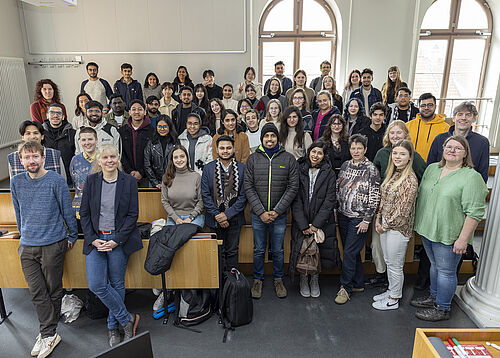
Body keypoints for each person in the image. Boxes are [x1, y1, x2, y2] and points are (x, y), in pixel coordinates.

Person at [10, 140, 77, 358]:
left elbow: (67, 211)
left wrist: (72, 235)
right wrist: (24, 236)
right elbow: (19, 213)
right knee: (37, 292)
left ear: (43, 157)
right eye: (26, 157)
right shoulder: (16, 182)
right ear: (21, 161)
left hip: (53, 243)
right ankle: (48, 333)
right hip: (28, 246)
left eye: (34, 156)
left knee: (53, 290)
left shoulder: (55, 181)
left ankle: (48, 333)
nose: (31, 161)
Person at [411, 136, 487, 321]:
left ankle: (442, 307)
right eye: (449, 146)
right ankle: (434, 297)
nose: (452, 150)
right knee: (435, 266)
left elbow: (475, 212)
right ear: (443, 149)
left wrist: (463, 239)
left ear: (465, 153)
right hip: (429, 230)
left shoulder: (471, 177)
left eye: (458, 148)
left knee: (446, 271)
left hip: (450, 234)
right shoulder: (432, 169)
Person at [80, 144, 142, 347]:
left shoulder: (129, 182)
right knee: (97, 284)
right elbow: (85, 214)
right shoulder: (90, 181)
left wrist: (116, 240)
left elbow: (133, 215)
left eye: (113, 157)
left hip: (118, 239)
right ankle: (127, 319)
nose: (109, 160)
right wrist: (92, 238)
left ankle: (112, 326)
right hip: (96, 239)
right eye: (105, 157)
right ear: (99, 161)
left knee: (117, 284)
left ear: (118, 159)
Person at [244, 123, 299, 299]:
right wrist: (261, 211)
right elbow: (248, 186)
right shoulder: (253, 159)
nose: (269, 139)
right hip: (258, 215)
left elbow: (292, 187)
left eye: (272, 136)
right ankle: (258, 280)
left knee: (278, 250)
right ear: (262, 139)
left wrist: (276, 211)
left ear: (277, 138)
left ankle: (278, 279)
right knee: (259, 249)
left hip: (280, 215)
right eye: (266, 136)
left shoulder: (288, 159)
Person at [372, 139, 418, 310]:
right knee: (388, 261)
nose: (398, 156)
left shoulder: (410, 180)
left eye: (402, 154)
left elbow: (403, 211)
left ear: (409, 157)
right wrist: (378, 219)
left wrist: (385, 225)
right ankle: (392, 290)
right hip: (384, 225)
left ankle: (394, 298)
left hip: (397, 229)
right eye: (395, 153)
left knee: (395, 265)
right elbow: (383, 200)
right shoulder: (393, 173)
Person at [290, 141, 340, 298]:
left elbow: (329, 200)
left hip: (322, 221)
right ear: (308, 152)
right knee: (302, 251)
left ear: (324, 156)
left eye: (319, 153)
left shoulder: (329, 173)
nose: (315, 155)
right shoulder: (299, 169)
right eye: (313, 152)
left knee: (317, 251)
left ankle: (315, 279)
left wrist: (316, 225)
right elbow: (295, 198)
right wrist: (303, 224)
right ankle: (304, 279)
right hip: (302, 221)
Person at [335, 134, 381, 305]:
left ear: (365, 150)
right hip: (343, 215)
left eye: (359, 148)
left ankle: (345, 288)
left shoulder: (371, 169)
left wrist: (367, 220)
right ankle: (358, 283)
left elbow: (375, 196)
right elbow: (338, 186)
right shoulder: (346, 165)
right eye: (353, 148)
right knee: (351, 252)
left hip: (359, 219)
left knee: (348, 253)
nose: (356, 151)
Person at [201, 135, 247, 271]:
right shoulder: (208, 169)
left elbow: (243, 196)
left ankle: (232, 285)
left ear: (233, 149)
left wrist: (227, 215)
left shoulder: (242, 168)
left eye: (228, 148)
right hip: (214, 219)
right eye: (222, 148)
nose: (225, 151)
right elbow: (205, 195)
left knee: (232, 251)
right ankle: (219, 285)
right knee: (217, 252)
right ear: (216, 150)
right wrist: (218, 215)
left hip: (235, 218)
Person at [427, 101, 490, 183]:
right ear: (453, 118)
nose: (463, 118)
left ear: (474, 119)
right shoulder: (439, 139)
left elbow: (483, 173)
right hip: (439, 185)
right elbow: (430, 166)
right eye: (460, 114)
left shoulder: (482, 142)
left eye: (468, 115)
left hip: (467, 187)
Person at [161, 145, 205, 228]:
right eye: (176, 157)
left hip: (194, 217)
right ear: (172, 160)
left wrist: (190, 217)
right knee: (171, 238)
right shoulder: (166, 177)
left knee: (187, 234)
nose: (179, 160)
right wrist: (175, 218)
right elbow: (165, 201)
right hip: (174, 218)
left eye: (182, 156)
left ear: (187, 158)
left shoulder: (196, 177)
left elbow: (201, 201)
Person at [118, 100, 154, 187]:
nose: (136, 112)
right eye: (134, 109)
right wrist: (130, 171)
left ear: (145, 112)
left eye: (140, 109)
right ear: (129, 112)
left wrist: (141, 172)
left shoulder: (152, 131)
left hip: (147, 176)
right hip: (127, 175)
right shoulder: (122, 131)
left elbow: (153, 155)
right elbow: (121, 153)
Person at [407, 93, 449, 161]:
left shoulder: (446, 128)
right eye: (423, 105)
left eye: (430, 105)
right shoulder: (408, 126)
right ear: (419, 107)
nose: (426, 108)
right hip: (410, 166)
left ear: (435, 106)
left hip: (434, 167)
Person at [70, 126, 98, 226]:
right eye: (83, 140)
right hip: (81, 209)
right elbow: (75, 182)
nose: (87, 143)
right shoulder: (75, 160)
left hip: (101, 209)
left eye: (90, 139)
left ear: (96, 140)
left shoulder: (104, 158)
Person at [42, 103, 76, 184]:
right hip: (46, 179)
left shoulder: (72, 133)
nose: (55, 115)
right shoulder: (41, 134)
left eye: (59, 113)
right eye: (52, 112)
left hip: (68, 179)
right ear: (47, 115)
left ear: (63, 117)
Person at [144, 115, 178, 189]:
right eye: (159, 126)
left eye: (165, 126)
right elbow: (147, 164)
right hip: (154, 182)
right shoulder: (151, 143)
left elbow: (178, 164)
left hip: (172, 181)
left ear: (170, 127)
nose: (162, 129)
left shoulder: (175, 142)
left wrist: (171, 180)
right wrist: (155, 183)